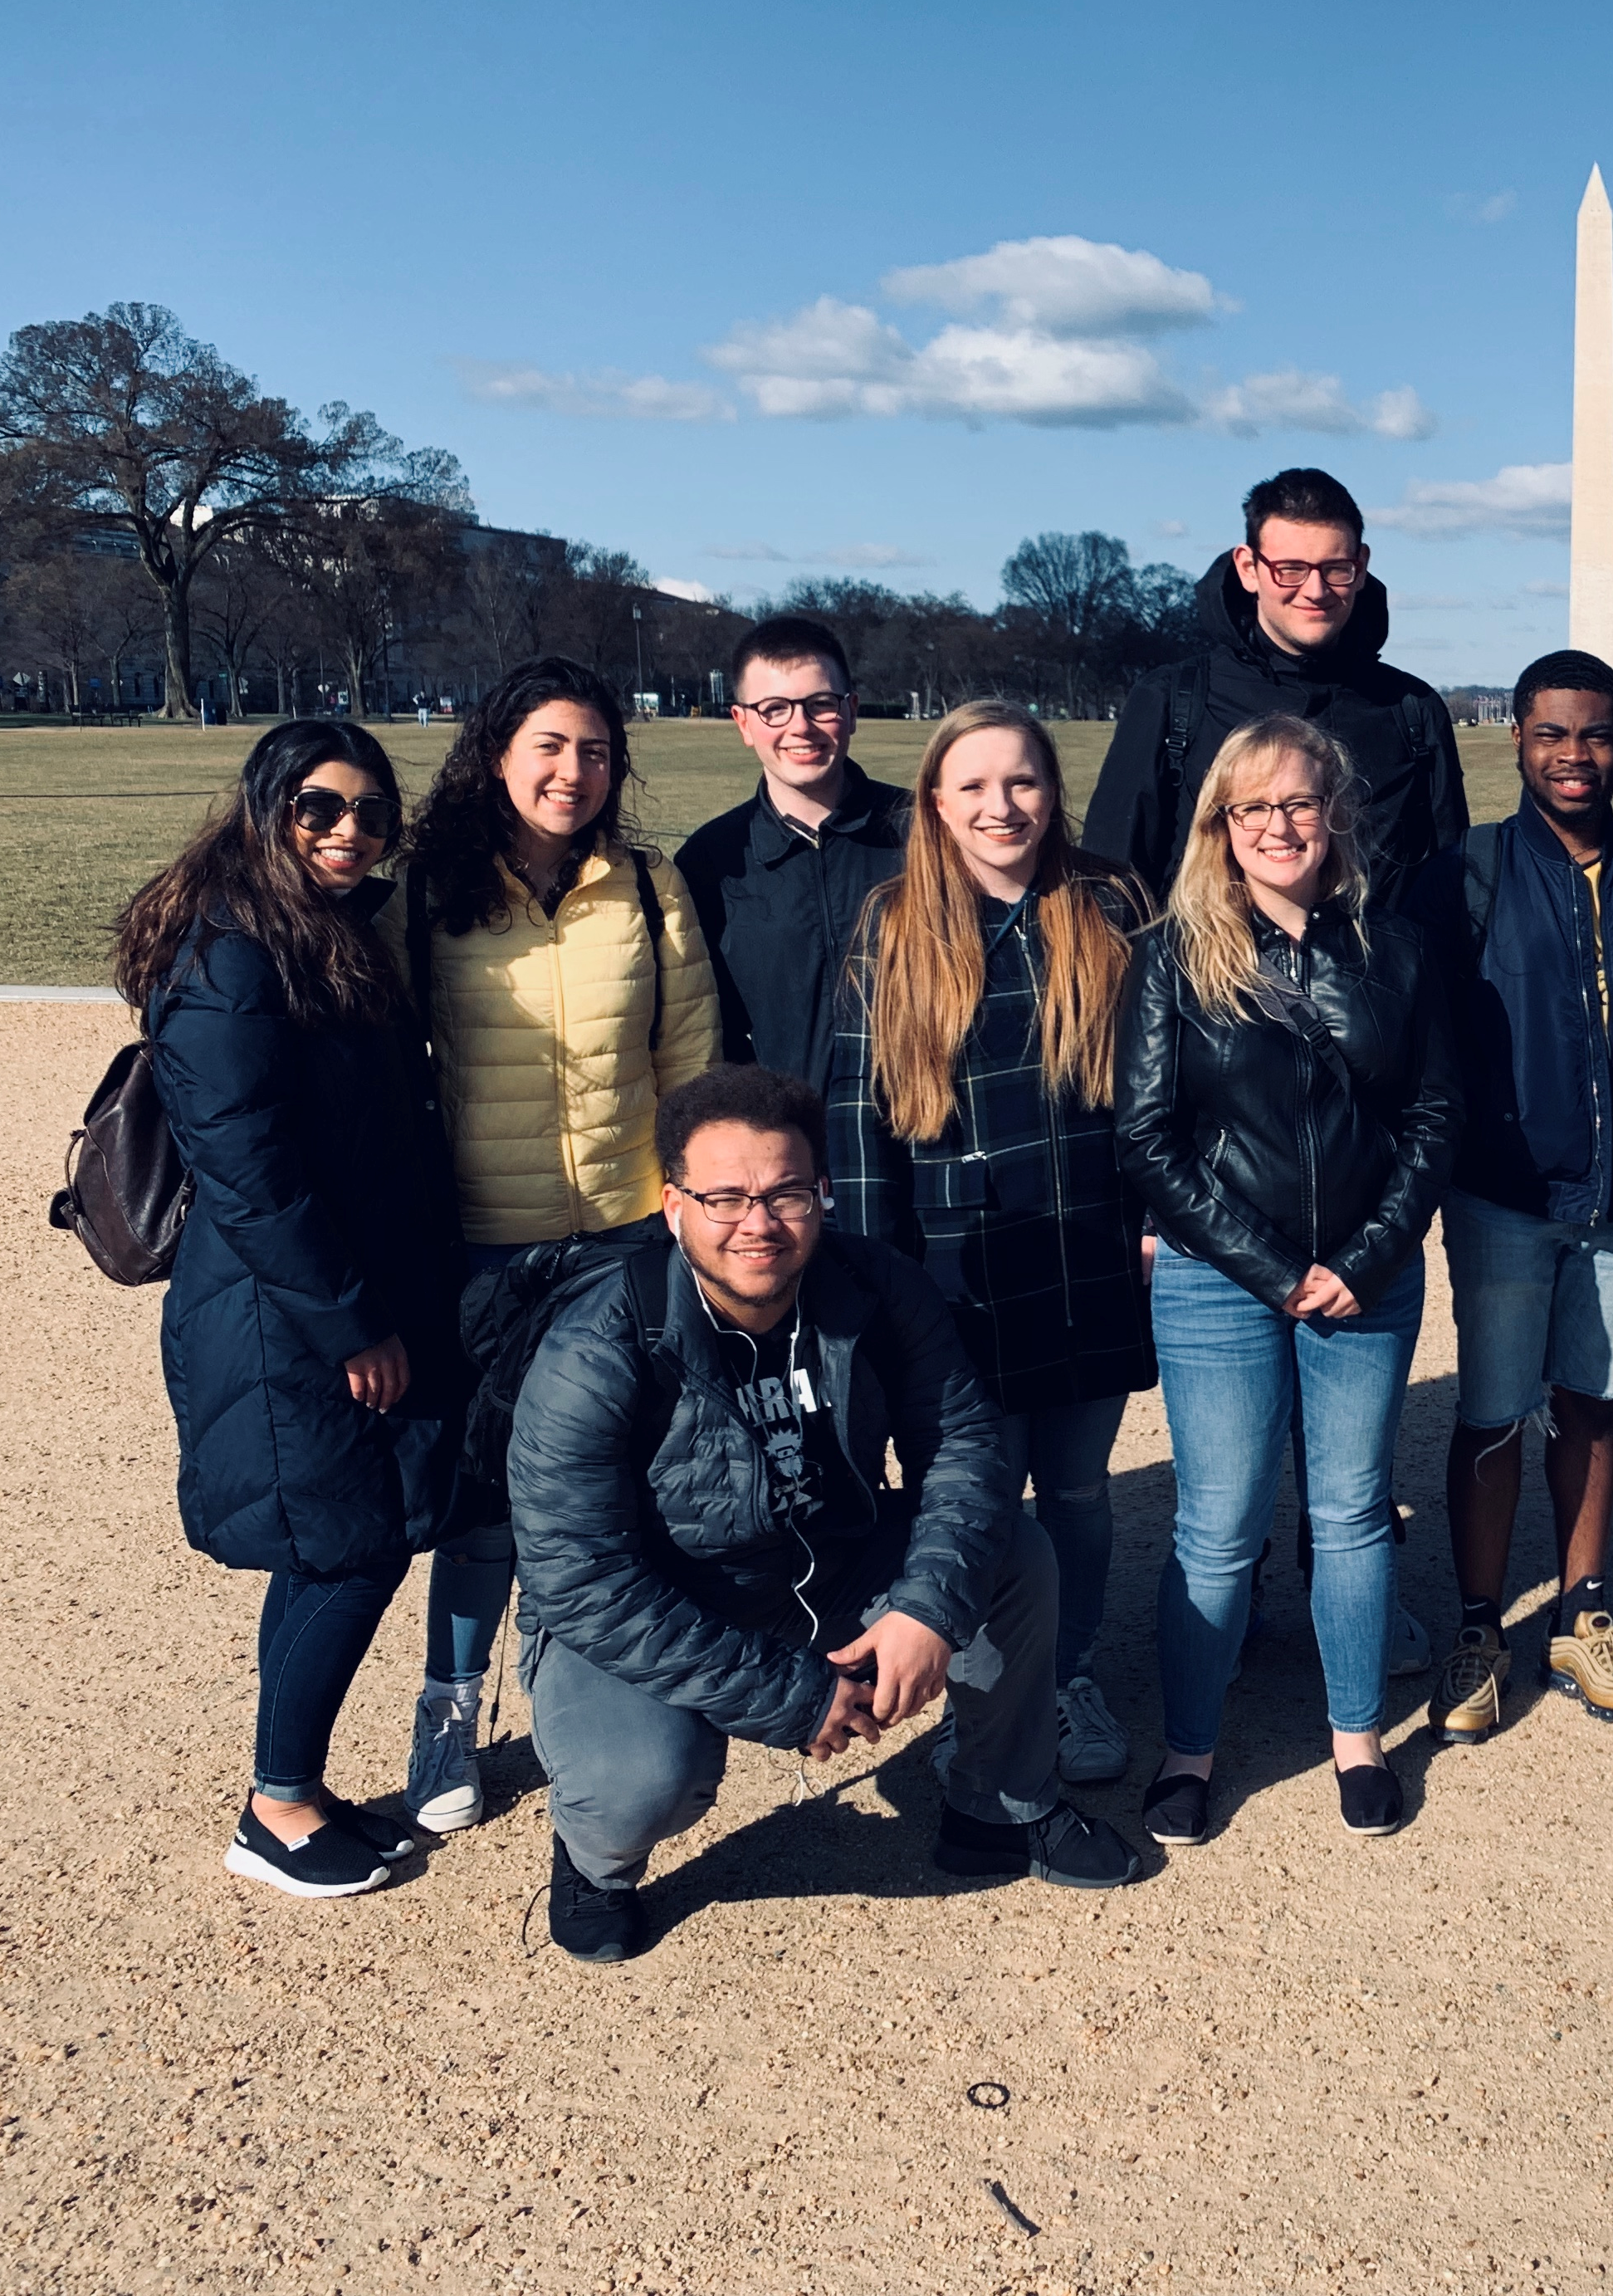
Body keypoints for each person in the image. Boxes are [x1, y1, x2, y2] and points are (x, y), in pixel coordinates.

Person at [508, 1066, 1139, 1961]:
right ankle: (595, 1861)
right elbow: (582, 1579)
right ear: (673, 1204)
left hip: (827, 1561)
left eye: (786, 1193)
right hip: (657, 1603)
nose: (757, 1224)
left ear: (823, 1194)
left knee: (1017, 1558)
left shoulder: (877, 1288)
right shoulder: (598, 1344)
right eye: (723, 1197)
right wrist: (795, 1697)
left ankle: (997, 1806)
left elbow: (964, 1453)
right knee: (647, 1777)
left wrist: (927, 1609)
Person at [119, 722, 462, 1898]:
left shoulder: (311, 932)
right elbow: (249, 1173)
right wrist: (350, 1325)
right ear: (269, 805)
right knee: (349, 1552)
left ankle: (294, 1785)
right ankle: (275, 1807)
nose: (351, 833)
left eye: (373, 814)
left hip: (323, 1295)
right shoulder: (230, 958)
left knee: (328, 1549)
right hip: (290, 1315)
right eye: (323, 808)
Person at [1115, 717, 1464, 1844]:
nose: (1278, 827)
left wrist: (1363, 1259)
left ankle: (1356, 1739)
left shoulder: (1398, 951)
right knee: (1218, 1522)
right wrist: (1273, 1271)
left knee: (1353, 1508)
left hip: (1368, 1275)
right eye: (1252, 808)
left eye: (1300, 804)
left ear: (1337, 816)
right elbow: (1148, 1140)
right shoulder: (1172, 955)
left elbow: (1431, 1117)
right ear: (1221, 825)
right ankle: (1190, 1750)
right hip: (1225, 1278)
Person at [395, 655, 718, 1834]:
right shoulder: (432, 889)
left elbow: (688, 1057)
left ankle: (599, 1693)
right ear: (497, 755)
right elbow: (391, 1062)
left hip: (627, 1232)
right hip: (488, 1239)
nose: (572, 773)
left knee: (614, 1481)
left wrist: (689, 1207)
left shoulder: (647, 886)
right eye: (549, 747)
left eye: (594, 751)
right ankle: (447, 1707)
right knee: (484, 1497)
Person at [827, 703, 1156, 1789]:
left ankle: (1064, 1680)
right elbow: (862, 1134)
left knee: (1074, 1495)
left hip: (1088, 1263)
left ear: (1053, 790)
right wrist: (877, 1295)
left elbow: (1160, 1096)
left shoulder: (1110, 904)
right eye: (971, 787)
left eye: (1020, 782)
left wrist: (1156, 1224)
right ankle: (983, 1699)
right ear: (935, 803)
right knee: (966, 1503)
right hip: (953, 1286)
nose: (999, 806)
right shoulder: (889, 927)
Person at [1406, 650, 1613, 1745]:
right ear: (1517, 739)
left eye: (1594, 734)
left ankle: (1584, 1614)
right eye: (1553, 733)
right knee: (1493, 1411)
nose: (1575, 755)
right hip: (1500, 1194)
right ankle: (1481, 1626)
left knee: (1592, 1400)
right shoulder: (1464, 874)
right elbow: (1422, 1036)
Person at [1083, 466, 1466, 901]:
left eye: (1335, 568)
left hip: (1379, 968)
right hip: (1210, 965)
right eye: (1290, 569)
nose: (1315, 590)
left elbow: (1450, 893)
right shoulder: (1172, 700)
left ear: (1361, 567)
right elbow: (1111, 884)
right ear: (1248, 568)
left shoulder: (1412, 709)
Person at [677, 614, 909, 1090]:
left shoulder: (926, 832)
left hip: (926, 1137)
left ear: (852, 711)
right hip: (785, 1148)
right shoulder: (709, 862)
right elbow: (701, 1032)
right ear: (743, 723)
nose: (800, 727)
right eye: (774, 709)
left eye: (821, 704)